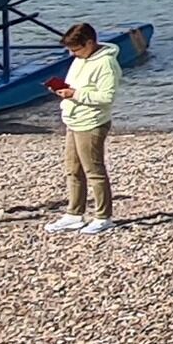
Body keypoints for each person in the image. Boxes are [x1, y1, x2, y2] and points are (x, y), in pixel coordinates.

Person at [48, 23, 122, 233]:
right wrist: (65, 91)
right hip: (74, 119)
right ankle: (74, 213)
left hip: (92, 122)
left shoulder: (106, 63)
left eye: (76, 49)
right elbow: (76, 86)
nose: (73, 54)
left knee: (94, 171)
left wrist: (75, 94)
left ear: (89, 43)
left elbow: (107, 97)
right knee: (73, 170)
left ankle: (103, 216)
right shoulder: (81, 59)